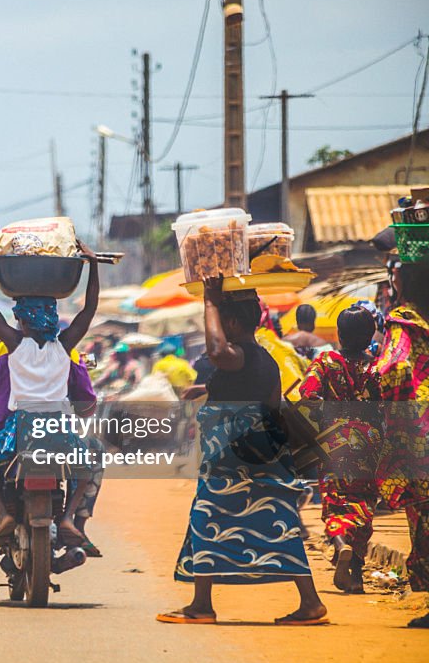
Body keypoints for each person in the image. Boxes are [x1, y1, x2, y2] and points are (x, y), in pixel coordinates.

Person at [158, 281, 327, 626]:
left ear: (232, 323)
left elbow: (218, 351)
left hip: (233, 457)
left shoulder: (239, 354)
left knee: (206, 517)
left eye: (222, 319)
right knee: (280, 523)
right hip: (263, 453)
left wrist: (209, 302)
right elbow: (263, 399)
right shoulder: (264, 358)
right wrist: (207, 388)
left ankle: (202, 606)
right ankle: (309, 602)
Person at [0, 238, 100, 557]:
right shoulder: (65, 348)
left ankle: (4, 513)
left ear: (23, 319)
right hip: (57, 431)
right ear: (52, 319)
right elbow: (89, 309)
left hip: (19, 430)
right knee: (91, 458)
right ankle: (69, 518)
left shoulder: (15, 344)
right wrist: (92, 265)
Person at [299, 306, 382, 594]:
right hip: (371, 444)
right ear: (370, 334)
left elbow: (307, 394)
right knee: (364, 504)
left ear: (339, 334)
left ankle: (340, 543)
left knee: (336, 503)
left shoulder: (326, 362)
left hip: (335, 442)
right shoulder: (378, 366)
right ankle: (355, 576)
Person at [375, 259, 429, 629]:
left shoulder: (404, 320)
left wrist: (393, 407)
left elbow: (395, 367)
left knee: (425, 517)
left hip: (421, 430)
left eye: (395, 278)